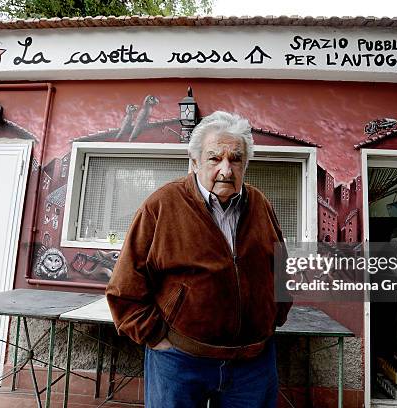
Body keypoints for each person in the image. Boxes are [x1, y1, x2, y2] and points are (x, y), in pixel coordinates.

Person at [106, 111, 292, 407]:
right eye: (214, 159)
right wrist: (155, 337)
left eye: (236, 159)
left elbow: (280, 267)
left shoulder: (260, 204)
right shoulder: (162, 205)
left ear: (246, 164)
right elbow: (124, 285)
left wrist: (273, 318)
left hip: (252, 362)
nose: (226, 170)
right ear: (194, 163)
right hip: (180, 360)